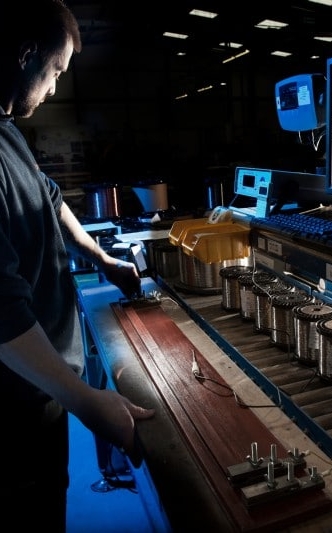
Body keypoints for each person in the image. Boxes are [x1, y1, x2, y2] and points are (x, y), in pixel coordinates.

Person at [0, 1, 156, 530]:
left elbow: (49, 199)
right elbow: (1, 313)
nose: (55, 89)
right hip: (11, 418)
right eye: (56, 72)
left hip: (41, 398)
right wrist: (88, 402)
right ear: (26, 55)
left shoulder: (7, 133)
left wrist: (103, 258)